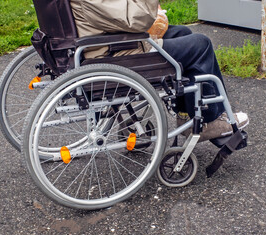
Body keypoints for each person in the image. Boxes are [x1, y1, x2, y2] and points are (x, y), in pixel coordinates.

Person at [69, 0, 249, 140]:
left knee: (182, 33)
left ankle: (187, 115)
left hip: (107, 45)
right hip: (115, 54)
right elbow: (137, 19)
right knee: (201, 45)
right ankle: (210, 120)